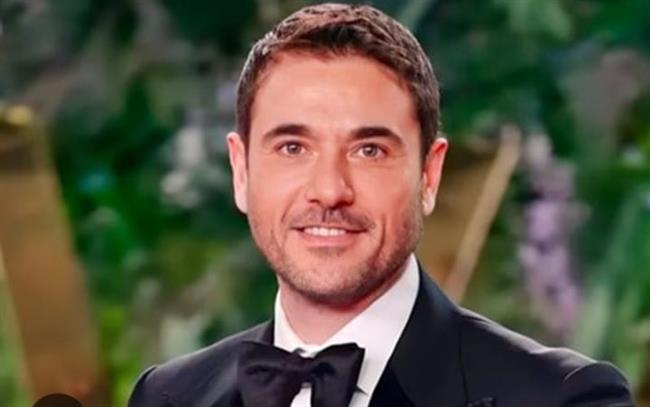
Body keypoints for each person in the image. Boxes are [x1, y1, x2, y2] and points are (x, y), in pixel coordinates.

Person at [128, 3, 634, 407]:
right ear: (241, 172)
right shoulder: (168, 396)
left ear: (429, 175)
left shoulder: (561, 398)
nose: (329, 190)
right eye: (293, 148)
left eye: (369, 150)